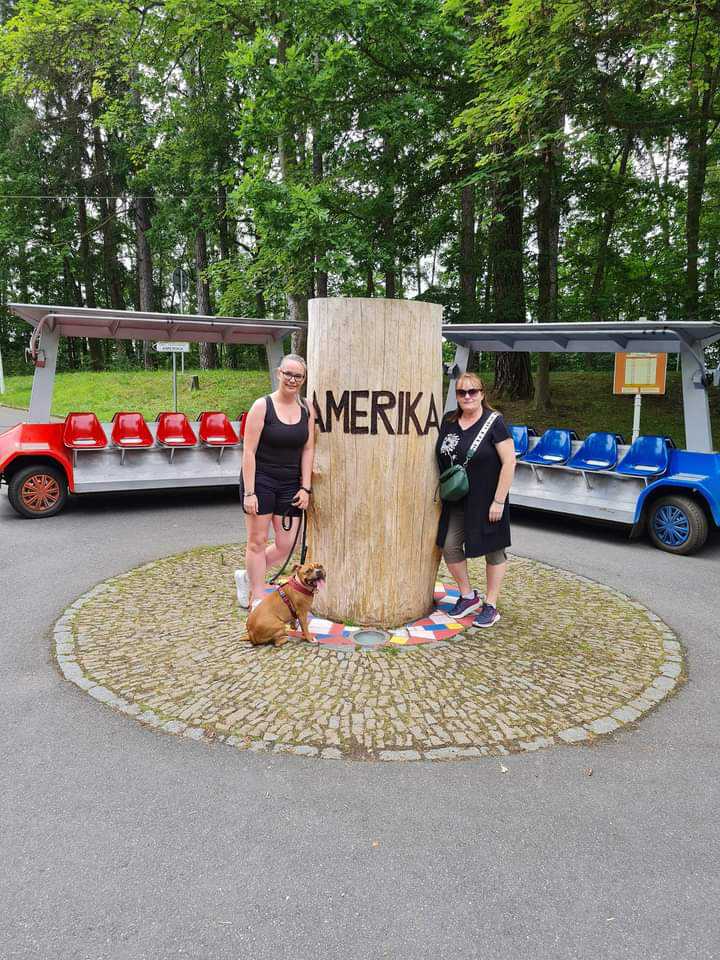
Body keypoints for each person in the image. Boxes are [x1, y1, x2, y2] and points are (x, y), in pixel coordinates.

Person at [435, 372, 516, 627]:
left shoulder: (494, 422)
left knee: (493, 550)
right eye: (462, 392)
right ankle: (468, 596)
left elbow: (509, 462)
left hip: (488, 499)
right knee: (449, 545)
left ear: (482, 394)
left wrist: (499, 501)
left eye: (473, 391)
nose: (467, 396)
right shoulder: (449, 421)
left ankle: (490, 605)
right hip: (457, 498)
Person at [234, 354, 315, 609]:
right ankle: (257, 595)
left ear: (303, 379)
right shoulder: (262, 406)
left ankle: (247, 576)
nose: (292, 379)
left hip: (290, 483)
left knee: (286, 544)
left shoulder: (307, 408)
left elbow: (308, 449)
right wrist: (249, 492)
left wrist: (306, 487)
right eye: (288, 374)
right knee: (257, 541)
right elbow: (248, 451)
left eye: (298, 376)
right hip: (260, 479)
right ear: (279, 373)